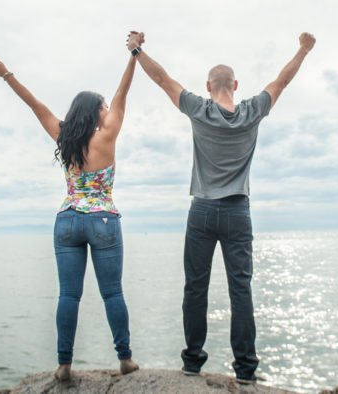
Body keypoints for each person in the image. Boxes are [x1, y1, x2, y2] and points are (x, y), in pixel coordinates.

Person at [125, 31, 316, 384]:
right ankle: (245, 371)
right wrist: (303, 50)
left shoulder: (199, 108)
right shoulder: (253, 110)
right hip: (237, 213)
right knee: (240, 290)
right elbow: (282, 81)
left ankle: (193, 363)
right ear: (236, 84)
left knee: (195, 288)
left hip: (201, 212)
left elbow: (162, 78)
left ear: (208, 84)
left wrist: (137, 50)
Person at [0, 47, 139, 380]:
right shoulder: (107, 135)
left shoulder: (62, 135)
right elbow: (122, 92)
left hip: (67, 219)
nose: (108, 109)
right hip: (103, 219)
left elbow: (34, 104)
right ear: (97, 112)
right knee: (112, 292)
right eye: (104, 107)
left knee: (69, 294)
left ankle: (64, 365)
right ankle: (125, 359)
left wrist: (6, 75)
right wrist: (134, 57)